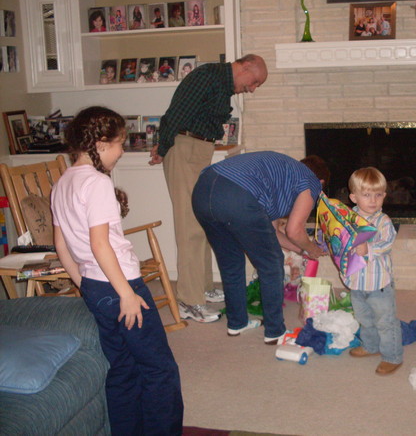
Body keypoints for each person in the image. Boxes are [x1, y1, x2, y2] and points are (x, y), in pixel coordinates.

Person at [51, 106, 183, 434]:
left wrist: (85, 284)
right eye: (121, 144)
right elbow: (100, 244)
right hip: (121, 285)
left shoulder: (63, 183)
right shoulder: (96, 183)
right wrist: (125, 293)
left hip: (96, 286)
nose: (122, 152)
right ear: (101, 143)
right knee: (159, 369)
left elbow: (61, 245)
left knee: (122, 369)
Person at [149, 54, 268, 323]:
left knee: (203, 221)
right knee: (189, 225)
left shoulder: (221, 84)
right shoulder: (207, 77)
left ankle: (202, 287)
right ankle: (188, 301)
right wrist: (164, 147)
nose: (252, 88)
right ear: (245, 66)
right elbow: (175, 115)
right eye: (254, 81)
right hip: (185, 149)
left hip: (198, 149)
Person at [192, 151, 330, 343]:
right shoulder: (311, 181)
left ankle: (237, 323)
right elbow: (294, 230)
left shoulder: (281, 178)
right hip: (236, 193)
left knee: (231, 263)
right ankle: (275, 331)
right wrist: (312, 248)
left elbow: (273, 234)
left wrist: (301, 250)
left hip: (203, 191)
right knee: (272, 264)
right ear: (321, 183)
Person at [343, 167, 403, 375]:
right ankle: (371, 345)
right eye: (366, 195)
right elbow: (342, 241)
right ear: (354, 197)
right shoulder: (349, 218)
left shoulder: (383, 221)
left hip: (379, 284)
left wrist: (367, 248)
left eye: (378, 195)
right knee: (365, 318)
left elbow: (387, 243)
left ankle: (392, 356)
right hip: (357, 283)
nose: (373, 200)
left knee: (385, 321)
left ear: (384, 196)